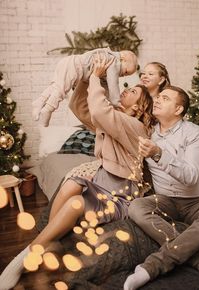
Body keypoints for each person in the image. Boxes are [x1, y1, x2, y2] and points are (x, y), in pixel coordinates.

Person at [0, 55, 155, 290]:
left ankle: (26, 257)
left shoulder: (136, 127)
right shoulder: (115, 120)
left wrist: (95, 77)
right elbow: (80, 107)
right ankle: (48, 243)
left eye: (132, 91)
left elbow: (101, 112)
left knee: (74, 203)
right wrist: (86, 77)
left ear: (138, 107)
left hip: (118, 197)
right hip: (101, 185)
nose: (125, 90)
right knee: (73, 182)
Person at [124, 85, 199, 290]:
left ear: (178, 109)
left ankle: (151, 267)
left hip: (197, 200)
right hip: (165, 199)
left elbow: (190, 176)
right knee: (136, 207)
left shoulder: (194, 133)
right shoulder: (147, 133)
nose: (158, 100)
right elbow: (113, 111)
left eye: (165, 98)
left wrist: (158, 153)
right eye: (158, 97)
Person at [32, 47, 138, 126]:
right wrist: (116, 102)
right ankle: (48, 109)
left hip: (69, 62)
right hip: (75, 66)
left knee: (55, 87)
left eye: (126, 75)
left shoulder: (107, 61)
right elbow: (113, 83)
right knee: (60, 90)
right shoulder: (114, 62)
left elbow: (105, 86)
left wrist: (108, 101)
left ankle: (39, 102)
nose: (123, 75)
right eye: (125, 72)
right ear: (122, 59)